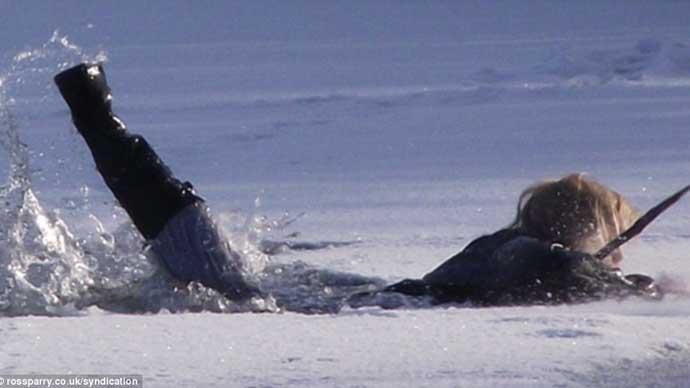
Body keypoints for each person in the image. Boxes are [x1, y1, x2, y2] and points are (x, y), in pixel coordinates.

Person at [54, 63, 262, 302]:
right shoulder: (231, 294)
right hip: (176, 221)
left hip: (180, 219)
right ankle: (85, 79)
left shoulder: (228, 287)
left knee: (113, 148)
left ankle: (86, 80)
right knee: (111, 145)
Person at [380, 174, 662, 306]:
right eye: (614, 239)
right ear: (583, 229)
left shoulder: (501, 244)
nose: (619, 256)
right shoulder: (544, 259)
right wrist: (648, 290)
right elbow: (585, 278)